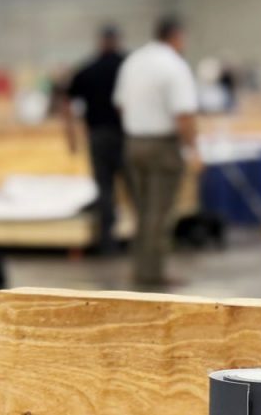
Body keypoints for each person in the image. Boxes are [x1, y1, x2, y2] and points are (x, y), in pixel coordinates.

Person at [114, 16, 198, 287]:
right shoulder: (174, 66)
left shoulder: (133, 62)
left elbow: (121, 105)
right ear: (175, 36)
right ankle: (154, 274)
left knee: (141, 211)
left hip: (133, 142)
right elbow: (183, 115)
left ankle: (140, 269)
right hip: (162, 145)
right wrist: (193, 150)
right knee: (159, 213)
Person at [59, 25, 127, 253]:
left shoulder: (88, 69)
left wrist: (71, 136)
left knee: (104, 189)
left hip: (98, 136)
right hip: (124, 136)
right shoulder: (126, 67)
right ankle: (139, 241)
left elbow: (66, 101)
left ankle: (107, 243)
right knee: (134, 188)